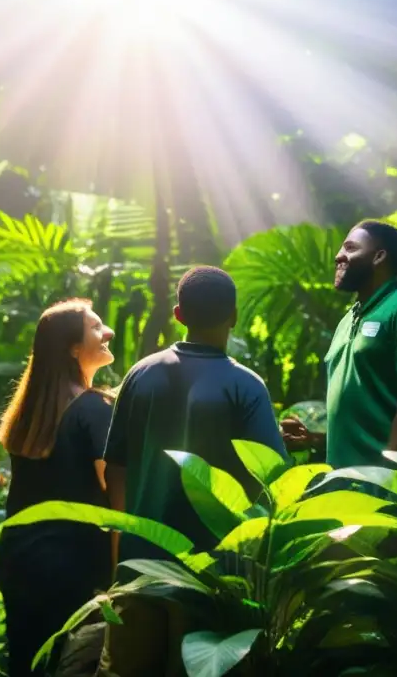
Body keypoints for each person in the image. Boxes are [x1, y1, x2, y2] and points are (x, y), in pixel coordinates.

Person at [99, 265, 287, 676]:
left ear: (178, 314)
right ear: (233, 316)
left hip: (139, 567)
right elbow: (268, 482)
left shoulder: (140, 374)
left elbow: (116, 467)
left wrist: (123, 544)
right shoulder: (246, 385)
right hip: (213, 576)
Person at [0, 299, 116, 677]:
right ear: (73, 348)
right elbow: (114, 493)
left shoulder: (30, 413)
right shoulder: (93, 408)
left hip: (20, 562)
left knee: (28, 666)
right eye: (96, 328)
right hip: (74, 568)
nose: (107, 332)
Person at [282, 220, 397, 468]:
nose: (338, 256)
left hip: (387, 487)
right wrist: (314, 440)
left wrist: (388, 476)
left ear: (378, 257)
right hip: (344, 484)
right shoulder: (348, 319)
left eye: (350, 248)